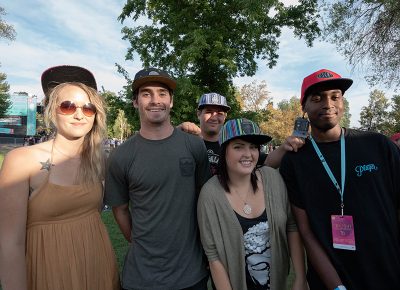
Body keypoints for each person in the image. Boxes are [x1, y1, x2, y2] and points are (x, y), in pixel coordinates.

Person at [0, 65, 120, 290]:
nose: (78, 114)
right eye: (67, 106)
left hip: (98, 267)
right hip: (49, 273)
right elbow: (9, 244)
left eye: (88, 108)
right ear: (51, 109)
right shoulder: (21, 160)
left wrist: (181, 132)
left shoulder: (100, 160)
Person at [279, 69, 400, 290]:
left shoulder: (378, 145)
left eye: (335, 96)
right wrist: (337, 287)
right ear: (303, 107)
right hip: (331, 281)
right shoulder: (294, 161)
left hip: (389, 274)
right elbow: (305, 231)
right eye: (317, 98)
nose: (328, 104)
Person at [104, 68, 211, 290]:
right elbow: (120, 210)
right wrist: (142, 242)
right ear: (135, 102)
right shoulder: (121, 155)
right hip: (142, 278)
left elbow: (205, 197)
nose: (155, 100)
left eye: (162, 93)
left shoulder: (194, 145)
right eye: (146, 94)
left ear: (171, 101)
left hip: (191, 274)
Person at [197, 118, 308, 290]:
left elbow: (291, 227)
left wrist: (300, 278)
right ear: (224, 151)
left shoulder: (272, 178)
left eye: (253, 147)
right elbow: (213, 255)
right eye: (238, 146)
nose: (248, 154)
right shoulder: (210, 195)